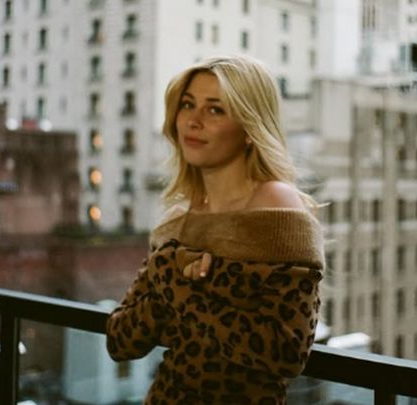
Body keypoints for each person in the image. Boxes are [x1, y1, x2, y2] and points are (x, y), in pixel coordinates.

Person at [106, 54, 324, 405]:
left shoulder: (276, 204)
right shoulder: (178, 219)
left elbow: (286, 353)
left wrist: (178, 285)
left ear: (250, 128)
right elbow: (120, 340)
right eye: (187, 105)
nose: (193, 121)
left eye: (215, 110)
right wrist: (170, 273)